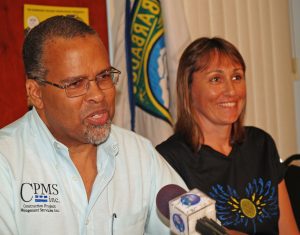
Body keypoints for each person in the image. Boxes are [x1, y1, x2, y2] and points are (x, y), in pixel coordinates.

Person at [0, 16, 187, 235]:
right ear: (36, 93)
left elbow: (190, 226)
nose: (98, 95)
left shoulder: (138, 153)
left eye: (104, 76)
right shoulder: (7, 160)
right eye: (76, 84)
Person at [156, 37, 299, 235]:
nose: (231, 90)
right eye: (216, 79)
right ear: (188, 89)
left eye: (237, 77)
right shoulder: (168, 159)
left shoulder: (261, 143)